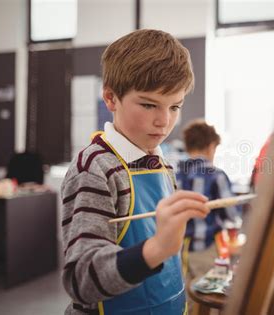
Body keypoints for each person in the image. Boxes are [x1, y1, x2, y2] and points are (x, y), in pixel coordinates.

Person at [60, 29, 210, 315]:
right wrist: (156, 249)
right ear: (111, 98)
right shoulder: (95, 168)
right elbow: (80, 279)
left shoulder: (162, 162)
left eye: (175, 106)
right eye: (148, 104)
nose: (164, 122)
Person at [176, 119, 242, 279]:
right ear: (211, 146)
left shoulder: (174, 173)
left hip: (177, 251)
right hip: (206, 250)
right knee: (208, 297)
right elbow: (232, 214)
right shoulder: (215, 175)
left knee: (186, 300)